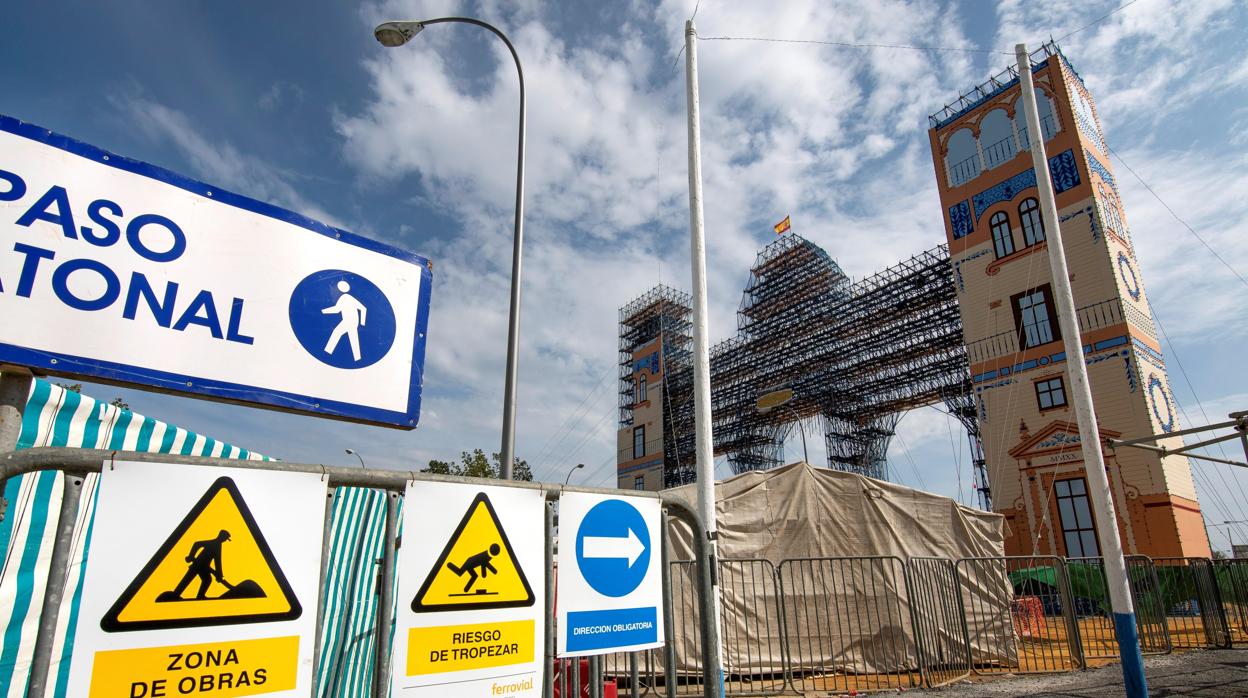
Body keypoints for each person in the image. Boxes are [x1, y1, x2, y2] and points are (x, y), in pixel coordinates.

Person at [170, 529, 231, 600]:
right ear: (222, 536)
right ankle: (175, 595)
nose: (225, 540)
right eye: (226, 538)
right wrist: (191, 556)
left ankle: (197, 595)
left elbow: (217, 560)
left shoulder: (217, 545)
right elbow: (197, 544)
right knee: (190, 579)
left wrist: (219, 574)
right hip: (198, 565)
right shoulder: (214, 543)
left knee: (206, 579)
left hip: (204, 567)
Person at [322, 280, 367, 362]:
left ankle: (327, 353)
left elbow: (337, 310)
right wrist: (361, 323)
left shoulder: (344, 298)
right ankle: (357, 359)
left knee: (338, 333)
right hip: (352, 322)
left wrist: (323, 311)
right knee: (351, 338)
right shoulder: (350, 298)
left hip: (348, 321)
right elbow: (363, 308)